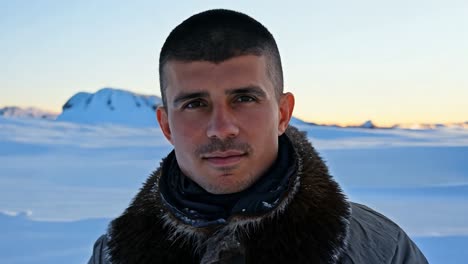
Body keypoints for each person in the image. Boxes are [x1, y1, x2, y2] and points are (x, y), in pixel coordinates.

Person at [88, 9, 428, 264]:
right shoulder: (113, 255)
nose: (221, 128)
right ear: (166, 126)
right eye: (195, 103)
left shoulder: (379, 250)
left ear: (282, 113)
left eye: (244, 98)